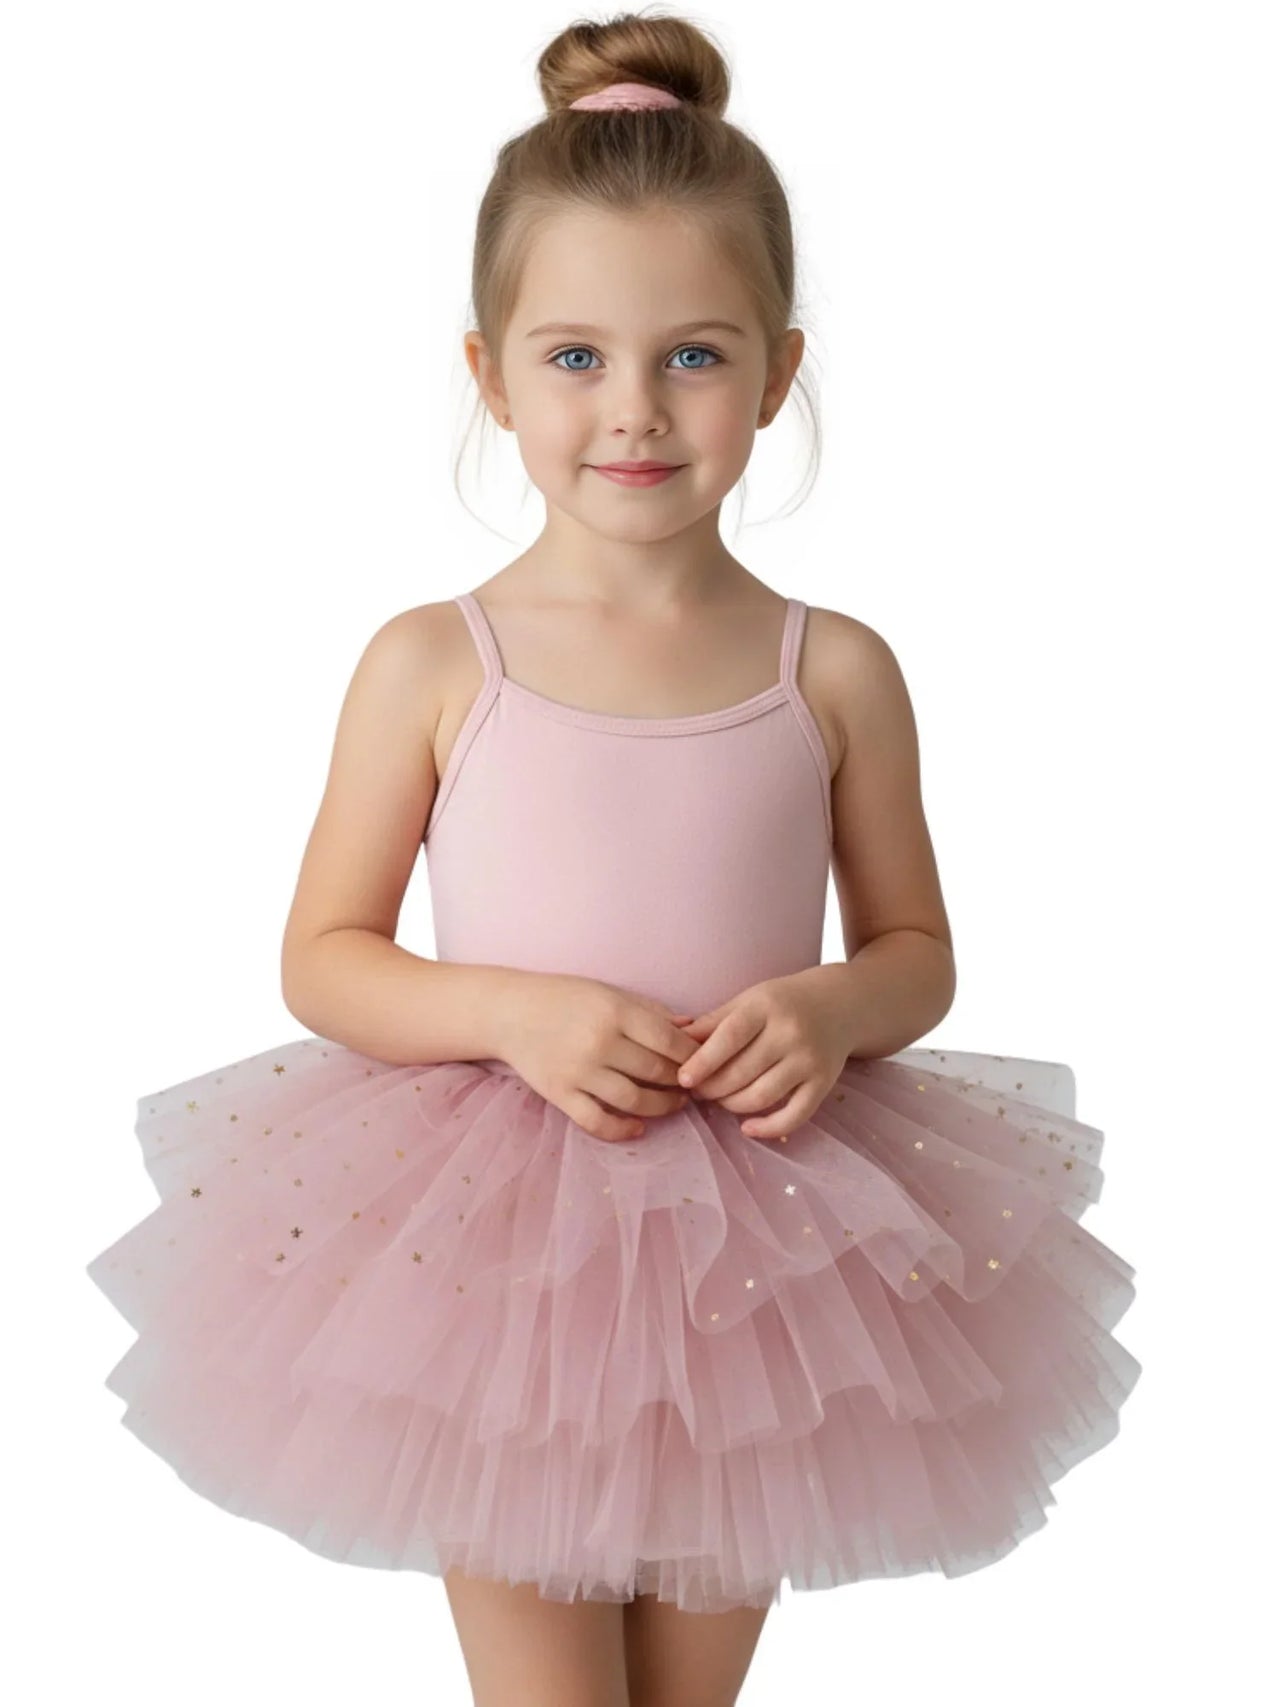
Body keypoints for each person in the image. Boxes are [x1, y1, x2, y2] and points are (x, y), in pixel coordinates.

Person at [84, 12, 1142, 1706]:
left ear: (779, 372)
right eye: (575, 357)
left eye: (695, 357)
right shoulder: (437, 661)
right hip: (491, 1256)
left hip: (773, 1248)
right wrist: (513, 1013)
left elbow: (920, 949)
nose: (635, 410)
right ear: (490, 373)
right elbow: (328, 954)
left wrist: (833, 1008)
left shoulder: (836, 668)